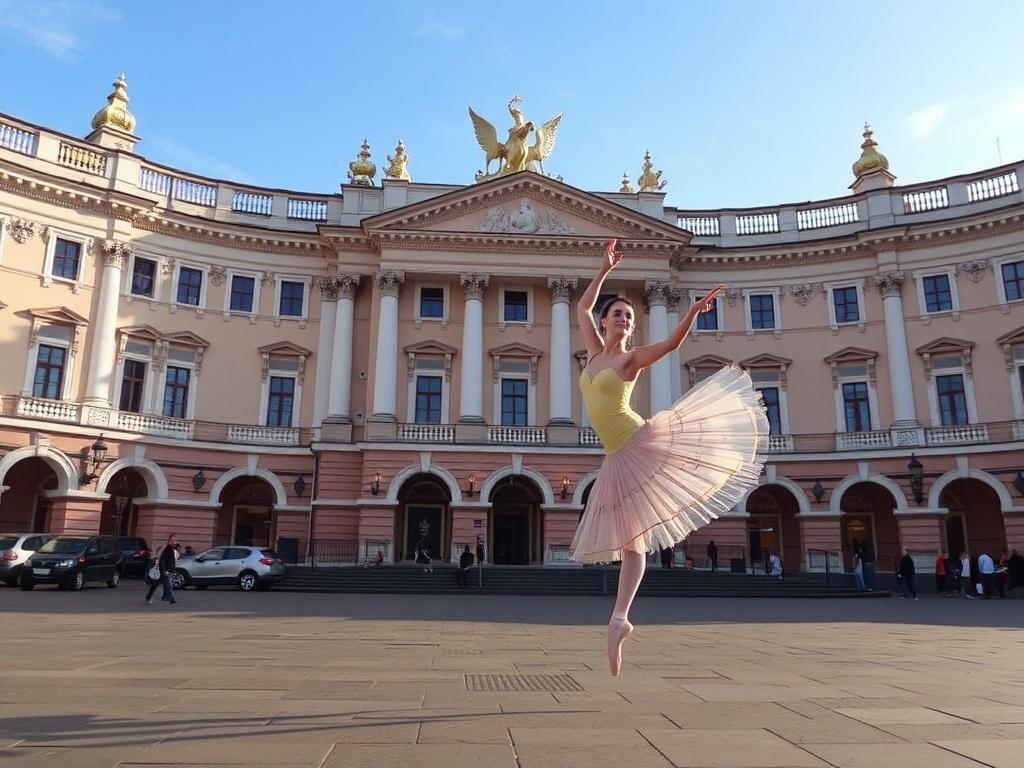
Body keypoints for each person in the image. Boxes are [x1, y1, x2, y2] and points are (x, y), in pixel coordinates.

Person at [571, 238, 768, 676]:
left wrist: (692, 313)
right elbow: (580, 308)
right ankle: (619, 620)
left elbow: (672, 346)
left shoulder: (629, 359)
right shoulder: (593, 351)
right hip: (616, 457)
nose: (622, 318)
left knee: (636, 539)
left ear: (631, 328)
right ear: (604, 322)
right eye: (616, 313)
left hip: (638, 443)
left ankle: (620, 617)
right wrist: (603, 269)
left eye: (628, 316)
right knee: (630, 542)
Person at [146, 533, 178, 605]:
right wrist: (165, 570)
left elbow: (171, 560)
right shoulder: (168, 548)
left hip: (165, 570)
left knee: (156, 584)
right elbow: (162, 560)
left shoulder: (172, 548)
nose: (174, 542)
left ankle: (149, 596)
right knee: (168, 584)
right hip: (165, 570)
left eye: (175, 540)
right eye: (173, 540)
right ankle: (170, 598)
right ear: (169, 541)